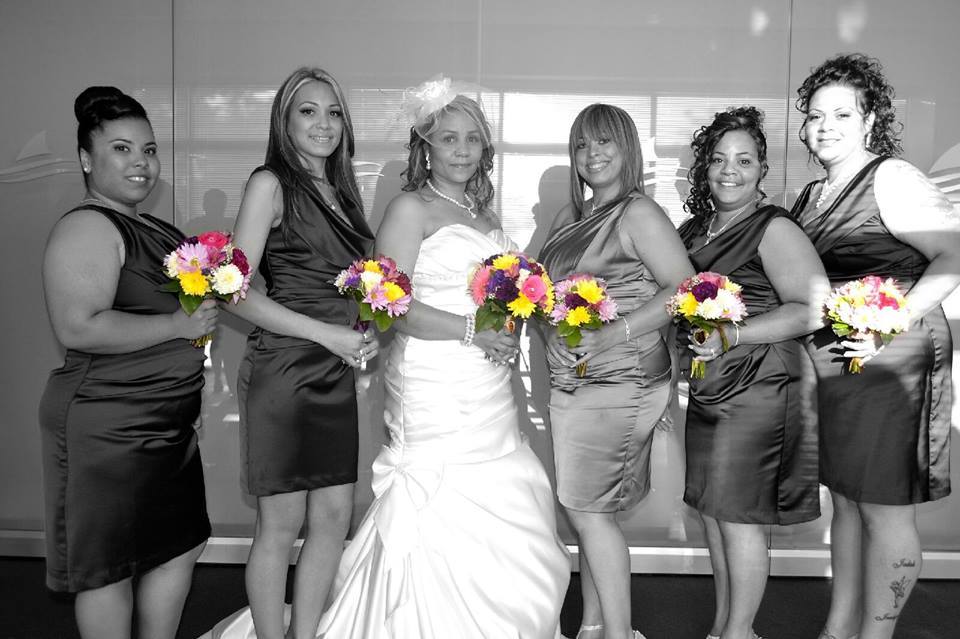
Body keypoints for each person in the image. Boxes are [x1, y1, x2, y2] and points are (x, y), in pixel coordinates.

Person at [315, 82, 570, 638]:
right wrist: (473, 333)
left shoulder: (480, 212)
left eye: (472, 139)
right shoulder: (410, 208)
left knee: (501, 483)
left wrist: (512, 317)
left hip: (487, 382)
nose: (462, 150)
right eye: (449, 138)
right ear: (425, 146)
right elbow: (390, 305)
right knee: (440, 496)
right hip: (434, 379)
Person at [791, 53, 959, 639]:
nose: (826, 126)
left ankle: (875, 635)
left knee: (884, 505)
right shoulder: (811, 194)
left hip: (895, 362)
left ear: (869, 121)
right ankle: (839, 628)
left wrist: (890, 322)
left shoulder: (892, 177)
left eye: (842, 114)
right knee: (846, 498)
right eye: (816, 115)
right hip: (841, 364)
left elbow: (953, 255)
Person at [39, 86, 217, 639]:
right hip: (108, 424)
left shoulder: (158, 228)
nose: (140, 162)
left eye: (148, 149)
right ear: (86, 159)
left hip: (166, 422)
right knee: (108, 567)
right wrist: (178, 327)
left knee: (178, 545)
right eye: (121, 149)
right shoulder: (88, 226)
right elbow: (78, 326)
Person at [205, 67, 377, 639]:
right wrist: (327, 334)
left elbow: (346, 285)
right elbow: (232, 290)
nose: (323, 123)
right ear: (283, 120)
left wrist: (362, 327)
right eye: (308, 111)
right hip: (283, 371)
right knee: (280, 524)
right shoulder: (270, 183)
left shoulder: (344, 192)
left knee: (333, 517)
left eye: (334, 112)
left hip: (334, 369)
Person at [538, 104, 694, 639]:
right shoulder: (569, 216)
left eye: (604, 141)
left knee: (590, 511)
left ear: (627, 147)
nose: (592, 154)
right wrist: (549, 334)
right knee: (588, 507)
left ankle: (617, 633)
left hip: (622, 378)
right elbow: (545, 296)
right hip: (573, 377)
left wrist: (611, 334)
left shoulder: (638, 213)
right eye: (582, 144)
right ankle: (593, 624)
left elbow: (683, 288)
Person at [677, 107, 829, 639]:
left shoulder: (773, 227)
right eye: (719, 159)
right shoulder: (694, 229)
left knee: (740, 516)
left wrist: (733, 335)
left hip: (762, 384)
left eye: (744, 160)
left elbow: (813, 308)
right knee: (714, 513)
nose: (730, 170)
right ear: (704, 167)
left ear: (762, 168)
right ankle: (726, 627)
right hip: (711, 385)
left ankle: (739, 632)